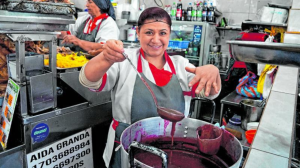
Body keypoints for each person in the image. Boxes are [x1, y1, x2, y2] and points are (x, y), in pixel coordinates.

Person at [79, 7, 221, 168]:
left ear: (169, 34)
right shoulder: (124, 61)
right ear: (138, 32)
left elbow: (210, 93)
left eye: (162, 33)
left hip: (169, 150)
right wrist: (105, 57)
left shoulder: (181, 66)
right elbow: (88, 80)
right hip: (127, 150)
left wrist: (212, 72)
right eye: (149, 32)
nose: (155, 39)